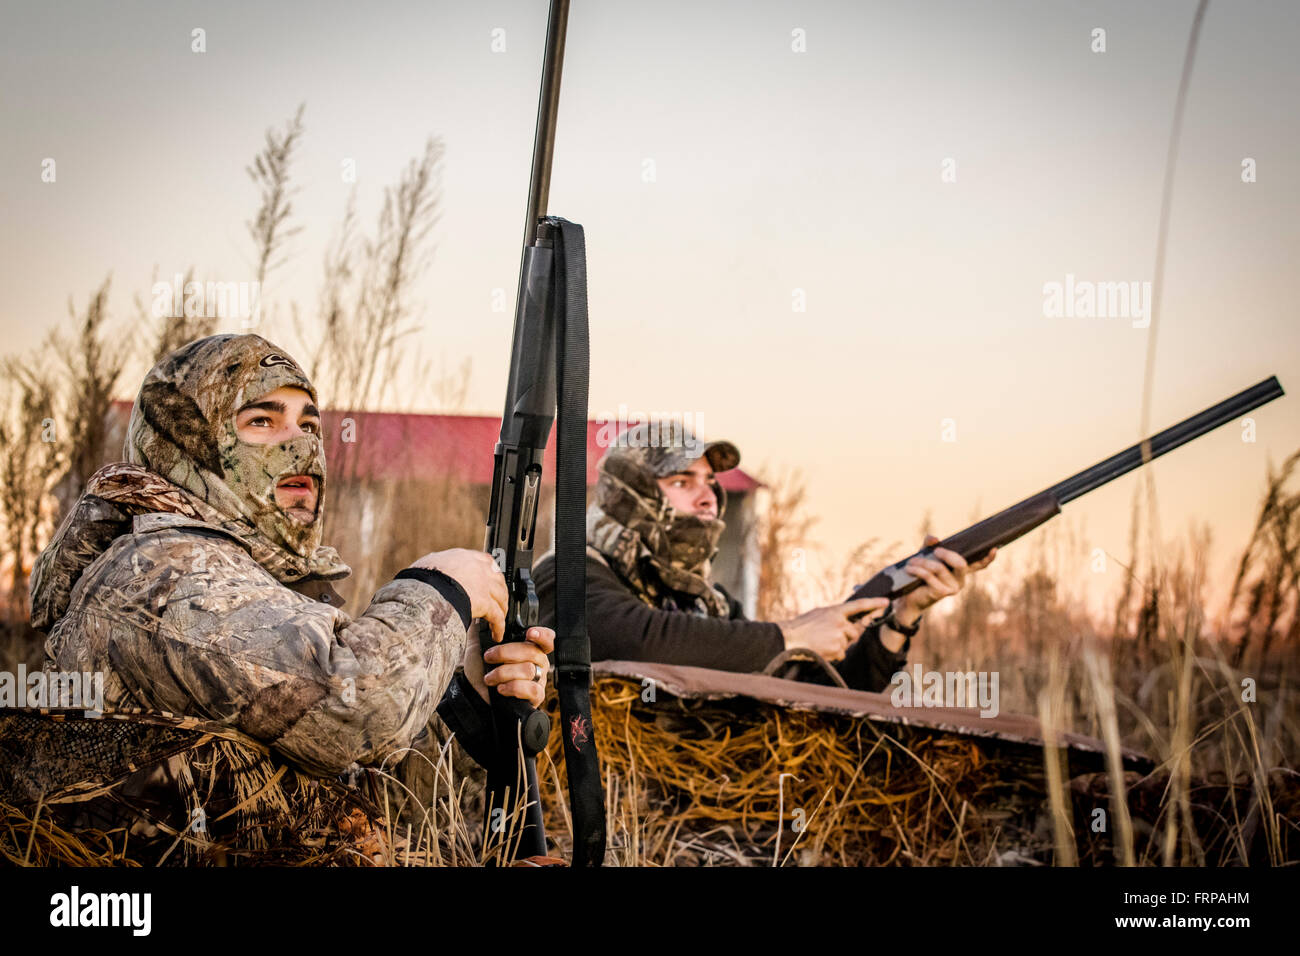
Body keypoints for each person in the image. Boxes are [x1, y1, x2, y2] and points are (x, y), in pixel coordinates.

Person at [22, 333, 544, 856]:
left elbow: (372, 787)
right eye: (262, 421)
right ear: (188, 444)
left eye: (309, 424)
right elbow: (357, 707)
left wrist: (464, 684)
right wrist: (439, 590)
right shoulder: (154, 573)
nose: (301, 443)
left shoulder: (268, 587)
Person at [533, 424, 996, 692]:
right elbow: (637, 640)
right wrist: (791, 634)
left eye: (710, 481)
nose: (709, 496)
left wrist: (899, 618)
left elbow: (820, 692)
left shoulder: (707, 605)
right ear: (627, 496)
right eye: (681, 482)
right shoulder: (568, 573)